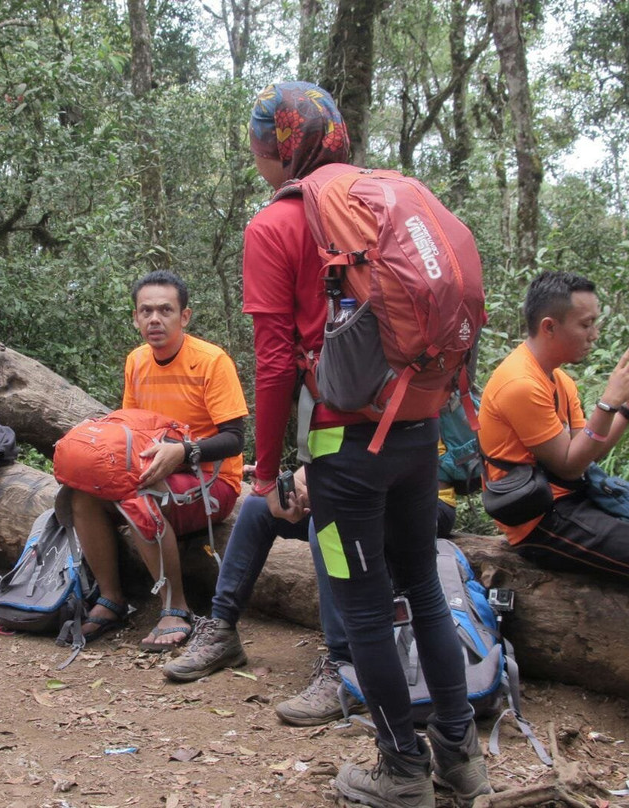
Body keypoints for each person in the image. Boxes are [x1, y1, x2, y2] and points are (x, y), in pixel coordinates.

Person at [242, 82, 490, 807]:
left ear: (275, 147)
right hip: (415, 430)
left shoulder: (277, 225)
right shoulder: (380, 197)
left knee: (364, 610)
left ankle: (401, 772)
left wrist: (265, 474)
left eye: (259, 147)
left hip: (344, 452)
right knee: (423, 591)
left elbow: (276, 362)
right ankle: (460, 760)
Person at [71, 270, 248, 651]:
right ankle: (112, 597)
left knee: (141, 499)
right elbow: (131, 428)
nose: (155, 319)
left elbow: (235, 439)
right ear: (135, 317)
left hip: (212, 481)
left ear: (184, 316)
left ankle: (175, 608)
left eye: (165, 310)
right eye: (146, 311)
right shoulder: (136, 361)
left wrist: (184, 452)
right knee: (83, 496)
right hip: (153, 471)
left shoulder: (211, 361)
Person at [163, 467, 362, 726]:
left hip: (412, 509)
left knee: (326, 523)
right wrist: (292, 488)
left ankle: (348, 668)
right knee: (259, 505)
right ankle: (222, 630)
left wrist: (326, 492)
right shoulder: (333, 428)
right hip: (348, 495)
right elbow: (321, 463)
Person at [479, 271, 629, 579]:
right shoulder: (520, 383)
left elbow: (589, 452)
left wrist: (624, 407)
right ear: (549, 327)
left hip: (575, 495)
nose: (595, 334)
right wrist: (609, 401)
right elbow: (570, 466)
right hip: (539, 518)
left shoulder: (559, 378)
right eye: (585, 324)